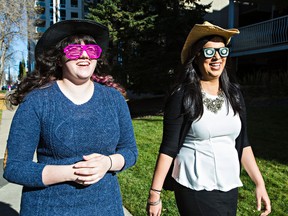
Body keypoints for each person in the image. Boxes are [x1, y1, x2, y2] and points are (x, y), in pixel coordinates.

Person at [3, 19, 138, 216]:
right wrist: (72, 172)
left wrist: (107, 163)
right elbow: (14, 167)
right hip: (48, 208)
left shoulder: (114, 99)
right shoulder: (37, 101)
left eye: (91, 50)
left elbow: (130, 151)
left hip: (106, 208)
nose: (84, 55)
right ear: (59, 59)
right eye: (74, 50)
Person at [146, 21, 271, 216]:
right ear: (196, 56)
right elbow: (168, 148)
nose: (217, 58)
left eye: (222, 52)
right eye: (209, 52)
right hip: (194, 185)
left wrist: (259, 183)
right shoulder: (183, 95)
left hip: (228, 185)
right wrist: (155, 195)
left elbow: (242, 142)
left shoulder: (235, 94)